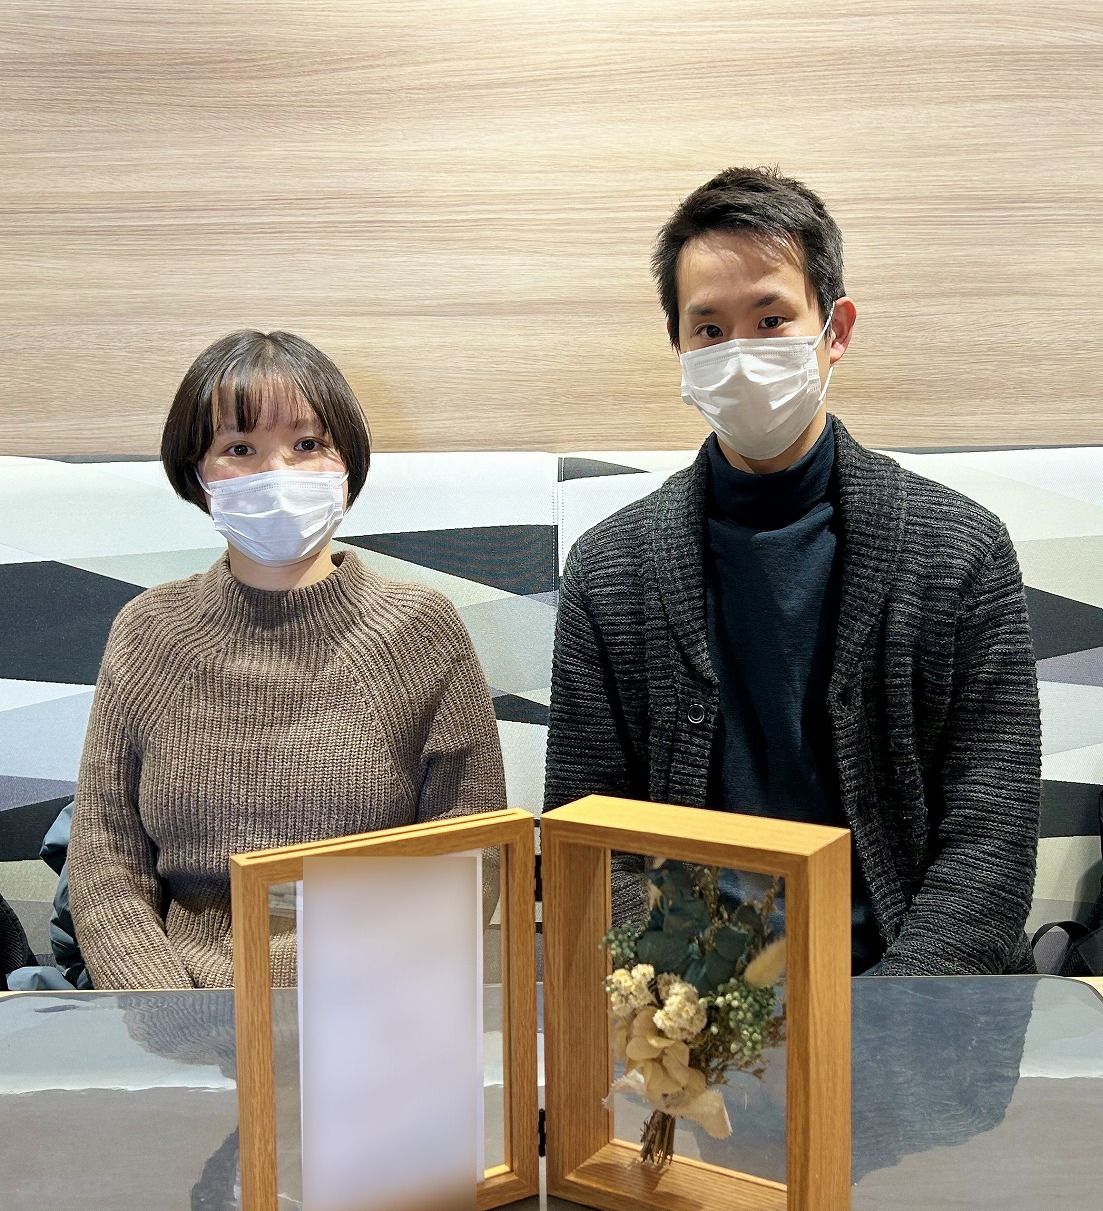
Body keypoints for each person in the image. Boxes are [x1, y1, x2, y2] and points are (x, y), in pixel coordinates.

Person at [544, 167, 1041, 975]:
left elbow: (992, 842)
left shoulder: (962, 551)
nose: (740, 354)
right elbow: (591, 844)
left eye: (771, 320)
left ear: (834, 329)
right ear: (678, 345)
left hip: (917, 999)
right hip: (691, 1007)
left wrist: (887, 1018)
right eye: (710, 329)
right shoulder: (610, 572)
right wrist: (698, 1013)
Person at [70, 330, 505, 989]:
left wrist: (269, 992)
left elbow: (469, 859)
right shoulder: (147, 631)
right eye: (239, 448)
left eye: (307, 445)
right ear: (197, 476)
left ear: (347, 463)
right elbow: (105, 863)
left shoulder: (421, 630)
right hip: (176, 1012)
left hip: (375, 1007)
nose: (277, 472)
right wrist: (166, 1009)